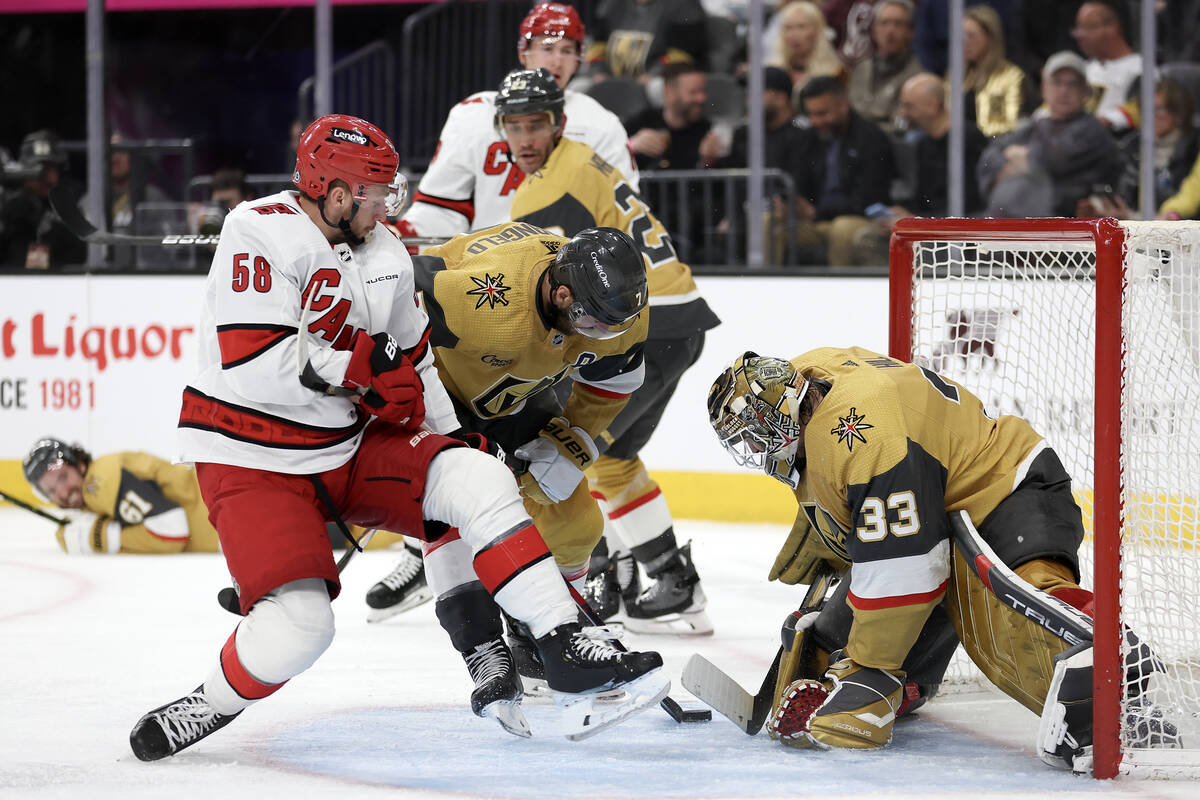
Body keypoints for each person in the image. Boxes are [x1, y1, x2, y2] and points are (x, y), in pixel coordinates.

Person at [126, 114, 668, 761]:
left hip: (349, 444)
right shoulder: (254, 229)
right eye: (376, 191)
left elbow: (418, 365)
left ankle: (557, 644)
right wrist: (357, 363)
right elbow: (253, 362)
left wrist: (446, 443)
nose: (389, 203)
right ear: (332, 192)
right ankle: (208, 704)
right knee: (301, 628)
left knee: (474, 477)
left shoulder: (382, 252)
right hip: (253, 455)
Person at [705, 347, 1176, 765]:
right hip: (940, 511)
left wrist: (870, 674)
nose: (752, 449)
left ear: (785, 417)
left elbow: (906, 566)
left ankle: (1116, 677)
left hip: (1005, 488)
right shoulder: (811, 378)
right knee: (830, 643)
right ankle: (908, 686)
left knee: (1017, 611)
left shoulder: (862, 432)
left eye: (754, 435)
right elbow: (891, 521)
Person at [498, 67, 721, 634]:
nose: (525, 138)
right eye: (514, 125)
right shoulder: (579, 160)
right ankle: (674, 582)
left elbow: (548, 291)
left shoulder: (545, 184)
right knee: (612, 459)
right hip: (679, 321)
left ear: (559, 123)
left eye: (536, 124)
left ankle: (595, 585)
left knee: (563, 455)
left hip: (642, 328)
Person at [404, 212, 650, 696]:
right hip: (437, 395)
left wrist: (574, 440)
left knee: (576, 521)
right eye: (593, 324)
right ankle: (481, 647)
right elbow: (387, 295)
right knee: (452, 516)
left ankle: (553, 638)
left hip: (514, 394)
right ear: (562, 295)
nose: (599, 336)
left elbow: (614, 381)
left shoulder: (617, 306)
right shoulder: (482, 299)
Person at [397, 3, 638, 243]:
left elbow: (626, 210)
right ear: (524, 53)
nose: (557, 61)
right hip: (489, 263)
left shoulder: (601, 123)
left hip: (573, 265)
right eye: (548, 48)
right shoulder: (473, 114)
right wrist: (404, 234)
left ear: (578, 59)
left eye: (566, 51)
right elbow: (442, 205)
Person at [851, 72, 988, 264]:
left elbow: (968, 206)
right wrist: (902, 215)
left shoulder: (968, 140)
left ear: (933, 106)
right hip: (927, 227)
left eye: (909, 106)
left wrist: (917, 220)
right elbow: (925, 200)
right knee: (869, 237)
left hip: (958, 235)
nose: (902, 114)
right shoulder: (924, 144)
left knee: (868, 241)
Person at [978, 50, 1121, 218]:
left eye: (1072, 84)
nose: (1064, 91)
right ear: (1044, 87)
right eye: (1057, 82)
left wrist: (1021, 159)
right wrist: (1020, 163)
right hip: (1010, 222)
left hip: (1061, 229)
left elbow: (1052, 160)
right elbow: (989, 157)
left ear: (1084, 91)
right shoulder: (1037, 125)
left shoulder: (1091, 130)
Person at [21, 437, 220, 554]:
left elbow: (172, 532)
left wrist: (101, 537)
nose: (62, 493)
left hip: (234, 522)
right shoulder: (100, 482)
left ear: (79, 464)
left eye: (63, 478)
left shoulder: (99, 483)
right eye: (52, 491)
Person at [791, 75, 896, 266]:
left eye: (822, 113)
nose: (815, 121)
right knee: (771, 223)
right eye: (811, 114)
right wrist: (793, 204)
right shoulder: (808, 139)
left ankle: (837, 295)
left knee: (842, 228)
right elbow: (799, 185)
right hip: (816, 222)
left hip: (859, 220)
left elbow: (868, 199)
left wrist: (817, 212)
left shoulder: (871, 139)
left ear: (843, 105)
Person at [0, 129, 86, 269]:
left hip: (56, 284)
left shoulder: (69, 208)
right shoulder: (9, 206)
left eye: (50, 169)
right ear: (23, 171)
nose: (45, 177)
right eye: (38, 169)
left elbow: (80, 257)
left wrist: (55, 224)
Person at [625, 63, 725, 171]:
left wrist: (708, 162)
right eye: (693, 92)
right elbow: (610, 158)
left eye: (703, 91)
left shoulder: (708, 131)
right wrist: (632, 145)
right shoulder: (641, 122)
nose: (701, 98)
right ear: (669, 92)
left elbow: (715, 182)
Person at [846, 0, 923, 135]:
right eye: (884, 23)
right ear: (874, 31)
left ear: (910, 32)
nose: (890, 31)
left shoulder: (918, 77)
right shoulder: (861, 69)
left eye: (898, 24)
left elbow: (901, 125)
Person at [587, 0, 710, 81]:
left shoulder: (684, 5)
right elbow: (597, 45)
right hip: (611, 78)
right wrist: (598, 72)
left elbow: (681, 54)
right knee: (580, 86)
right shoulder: (612, 4)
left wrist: (653, 75)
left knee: (656, 88)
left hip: (660, 79)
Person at [961, 3, 1034, 138]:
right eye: (961, 36)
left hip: (994, 145)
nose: (965, 42)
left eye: (971, 35)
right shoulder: (957, 74)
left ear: (990, 37)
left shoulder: (1011, 76)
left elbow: (1008, 126)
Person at [1071, 0, 1141, 131]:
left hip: (1115, 141)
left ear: (1113, 27)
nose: (1079, 35)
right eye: (1078, 28)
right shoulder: (1084, 69)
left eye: (1087, 27)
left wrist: (1107, 121)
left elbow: (1145, 108)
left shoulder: (1140, 68)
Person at [766, 2, 846, 99]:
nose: (794, 35)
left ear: (817, 31)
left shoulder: (835, 72)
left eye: (801, 26)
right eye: (788, 28)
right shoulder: (774, 71)